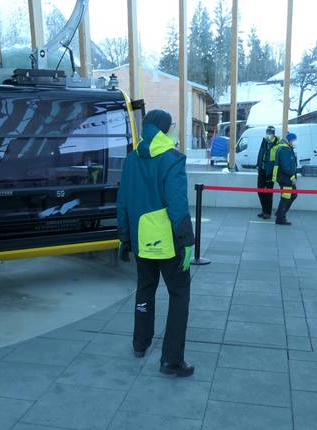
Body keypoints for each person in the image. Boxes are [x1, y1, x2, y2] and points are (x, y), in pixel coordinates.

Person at [117, 109, 195, 377]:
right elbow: (177, 204)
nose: (173, 130)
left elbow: (123, 201)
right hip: (168, 242)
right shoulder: (172, 159)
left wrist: (124, 237)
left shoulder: (131, 159)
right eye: (171, 126)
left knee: (145, 289)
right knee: (179, 293)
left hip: (141, 239)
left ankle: (140, 343)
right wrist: (187, 241)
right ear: (164, 129)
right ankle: (171, 361)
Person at [273, 132, 298, 225]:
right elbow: (285, 167)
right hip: (286, 178)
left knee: (292, 195)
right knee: (286, 198)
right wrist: (292, 177)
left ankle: (280, 213)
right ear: (290, 140)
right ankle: (280, 218)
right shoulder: (284, 149)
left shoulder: (287, 148)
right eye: (294, 140)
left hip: (285, 178)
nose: (295, 142)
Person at [256, 125, 280, 219]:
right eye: (267, 133)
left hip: (270, 172)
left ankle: (268, 212)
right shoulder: (264, 141)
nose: (268, 135)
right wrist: (258, 165)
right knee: (260, 190)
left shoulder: (277, 143)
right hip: (262, 170)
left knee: (268, 193)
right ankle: (264, 209)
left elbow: (278, 158)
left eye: (270, 133)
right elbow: (260, 153)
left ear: (274, 134)